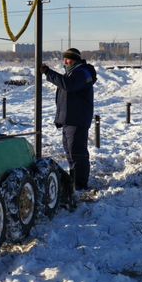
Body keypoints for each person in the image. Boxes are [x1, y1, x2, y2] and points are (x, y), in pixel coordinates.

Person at [40, 48, 97, 190]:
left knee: (77, 153)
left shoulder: (82, 72)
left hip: (77, 120)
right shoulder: (73, 72)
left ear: (76, 60)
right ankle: (74, 180)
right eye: (64, 59)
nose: (65, 61)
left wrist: (48, 72)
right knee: (70, 151)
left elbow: (68, 85)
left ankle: (80, 184)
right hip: (69, 119)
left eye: (69, 59)